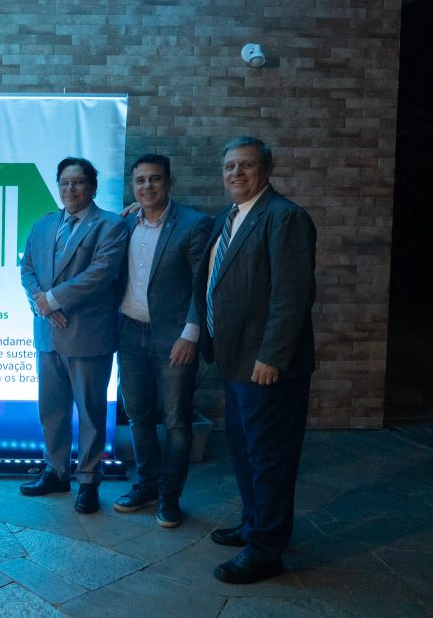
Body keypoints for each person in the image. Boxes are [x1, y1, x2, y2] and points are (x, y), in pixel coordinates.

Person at [195, 137, 316, 584]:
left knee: (269, 458)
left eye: (245, 166)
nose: (236, 173)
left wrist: (271, 356)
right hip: (235, 361)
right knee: (245, 452)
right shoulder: (227, 217)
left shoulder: (284, 216)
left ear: (266, 170)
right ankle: (253, 525)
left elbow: (292, 296)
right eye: (229, 166)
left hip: (266, 367)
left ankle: (266, 551)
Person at [19, 156, 128, 513]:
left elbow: (101, 273)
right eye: (64, 182)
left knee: (91, 413)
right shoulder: (43, 224)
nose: (70, 188)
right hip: (48, 333)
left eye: (78, 182)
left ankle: (89, 481)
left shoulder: (110, 225)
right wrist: (42, 305)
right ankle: (56, 472)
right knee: (51, 409)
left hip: (87, 335)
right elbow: (27, 269)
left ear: (92, 187)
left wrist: (52, 300)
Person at [114, 154, 211, 528]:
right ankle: (148, 485)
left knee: (176, 422)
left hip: (174, 339)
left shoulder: (193, 224)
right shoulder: (125, 223)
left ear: (169, 182)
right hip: (129, 334)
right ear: (133, 186)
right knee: (138, 415)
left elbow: (203, 285)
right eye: (140, 180)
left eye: (155, 179)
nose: (147, 186)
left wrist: (191, 333)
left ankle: (170, 496)